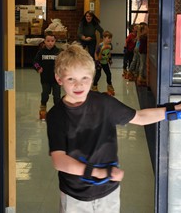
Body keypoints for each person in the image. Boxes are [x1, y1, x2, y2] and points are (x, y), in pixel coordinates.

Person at [46, 42, 181, 213]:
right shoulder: (56, 115)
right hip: (75, 195)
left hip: (108, 192)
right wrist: (98, 172)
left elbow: (139, 117)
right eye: (71, 79)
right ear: (59, 79)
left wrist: (174, 111)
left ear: (92, 77)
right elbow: (59, 161)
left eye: (84, 78)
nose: (78, 85)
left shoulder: (104, 103)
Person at [33, 31, 61, 119]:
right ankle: (43, 108)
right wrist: (38, 68)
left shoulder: (58, 52)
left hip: (56, 79)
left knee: (57, 96)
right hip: (45, 79)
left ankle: (57, 111)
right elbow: (35, 62)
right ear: (44, 41)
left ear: (55, 41)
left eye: (52, 41)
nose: (50, 43)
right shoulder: (41, 52)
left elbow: (63, 63)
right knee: (45, 94)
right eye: (48, 41)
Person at [91, 30, 115, 95]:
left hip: (105, 62)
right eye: (108, 38)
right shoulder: (100, 46)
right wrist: (97, 62)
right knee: (98, 75)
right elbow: (95, 53)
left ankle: (109, 86)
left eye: (111, 38)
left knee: (109, 74)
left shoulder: (110, 45)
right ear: (104, 38)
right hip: (99, 62)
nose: (110, 40)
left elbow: (109, 52)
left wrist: (110, 59)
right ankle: (94, 86)